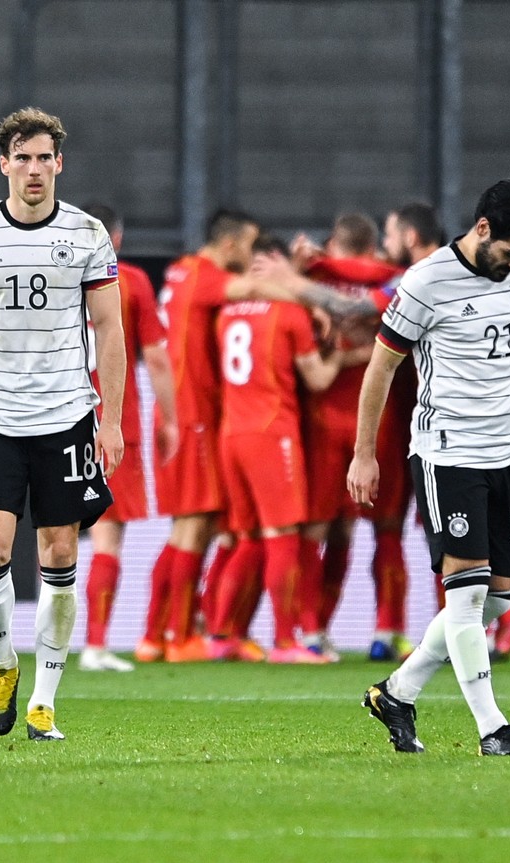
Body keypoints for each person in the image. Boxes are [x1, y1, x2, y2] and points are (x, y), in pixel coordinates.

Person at [0, 108, 126, 741]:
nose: (34, 169)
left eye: (46, 158)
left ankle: (44, 699)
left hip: (66, 415)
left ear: (59, 164)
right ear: (4, 164)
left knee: (61, 551)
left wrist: (112, 419)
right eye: (24, 158)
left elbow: (111, 329)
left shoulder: (88, 234)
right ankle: (1, 661)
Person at [351, 177, 510, 756]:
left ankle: (398, 691)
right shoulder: (426, 282)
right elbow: (380, 369)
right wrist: (364, 453)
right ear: (483, 229)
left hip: (504, 450)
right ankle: (493, 729)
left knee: (496, 597)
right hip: (448, 455)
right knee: (465, 597)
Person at [135, 209, 332, 663]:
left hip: (202, 419)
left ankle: (161, 635)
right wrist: (309, 298)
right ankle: (184, 637)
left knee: (209, 531)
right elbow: (256, 287)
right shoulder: (208, 277)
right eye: (247, 246)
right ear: (229, 245)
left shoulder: (182, 272)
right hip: (201, 417)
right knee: (199, 528)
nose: (250, 256)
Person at [383, 202, 510, 662]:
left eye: (388, 234)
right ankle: (477, 638)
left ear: (409, 236)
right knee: (451, 548)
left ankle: (494, 623)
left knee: (452, 550)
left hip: (452, 435)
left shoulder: (420, 279)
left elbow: (368, 296)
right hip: (428, 434)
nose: (382, 245)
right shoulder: (436, 277)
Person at [204, 235, 343, 663]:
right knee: (283, 536)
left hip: (232, 434)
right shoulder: (290, 313)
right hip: (272, 433)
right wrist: (339, 348)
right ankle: (286, 642)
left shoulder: (226, 313)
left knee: (246, 538)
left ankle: (221, 634)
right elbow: (318, 379)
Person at [293, 213, 403, 662]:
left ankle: (310, 631)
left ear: (335, 244)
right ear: (375, 245)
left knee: (318, 529)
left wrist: (307, 265)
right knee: (384, 528)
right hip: (381, 419)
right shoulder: (396, 277)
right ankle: (386, 630)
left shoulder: (315, 276)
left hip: (325, 415)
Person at [78, 204, 178, 672]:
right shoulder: (131, 281)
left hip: (55, 418)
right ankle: (94, 645)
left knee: (53, 536)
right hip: (112, 422)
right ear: (115, 238)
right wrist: (170, 419)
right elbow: (156, 358)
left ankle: (55, 647)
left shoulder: (53, 274)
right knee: (107, 536)